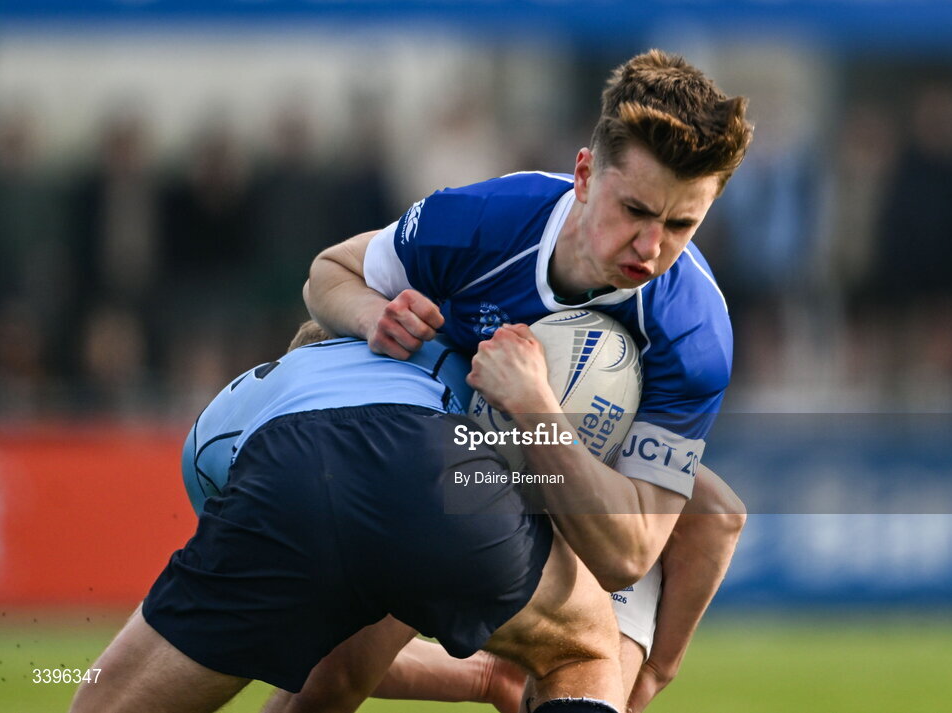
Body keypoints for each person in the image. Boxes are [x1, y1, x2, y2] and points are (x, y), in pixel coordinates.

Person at [304, 48, 751, 708]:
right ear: (584, 175)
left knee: (705, 522)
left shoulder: (694, 330)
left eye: (681, 223)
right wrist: (376, 315)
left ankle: (616, 672)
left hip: (583, 490)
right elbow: (325, 276)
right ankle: (490, 674)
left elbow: (626, 552)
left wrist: (536, 405)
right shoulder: (482, 222)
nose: (651, 246)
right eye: (634, 210)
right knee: (330, 675)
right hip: (451, 460)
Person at [70, 323, 638, 713]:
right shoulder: (439, 355)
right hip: (429, 459)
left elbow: (313, 636)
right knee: (583, 650)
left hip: (282, 472)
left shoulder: (217, 422)